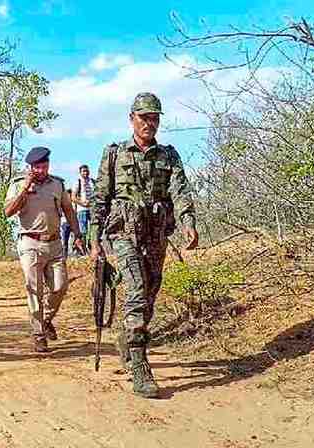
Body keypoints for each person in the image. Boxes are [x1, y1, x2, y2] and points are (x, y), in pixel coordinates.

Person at [90, 92, 199, 398]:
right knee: (137, 288)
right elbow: (100, 198)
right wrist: (95, 239)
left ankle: (127, 337)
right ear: (132, 118)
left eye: (154, 118)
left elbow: (180, 190)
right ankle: (139, 364)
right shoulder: (114, 154)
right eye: (144, 117)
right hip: (123, 234)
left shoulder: (168, 156)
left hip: (156, 234)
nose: (149, 123)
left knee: (150, 292)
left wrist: (188, 222)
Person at [4, 147, 85, 353]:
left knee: (60, 286)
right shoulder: (18, 184)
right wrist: (25, 188)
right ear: (30, 167)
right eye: (37, 167)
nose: (41, 171)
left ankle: (46, 319)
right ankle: (38, 333)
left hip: (55, 243)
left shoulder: (57, 184)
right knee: (35, 289)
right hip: (30, 243)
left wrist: (78, 235)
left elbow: (68, 210)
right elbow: (8, 211)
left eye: (44, 166)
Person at [72, 165, 95, 255]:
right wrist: (82, 203)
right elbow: (73, 197)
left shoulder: (93, 182)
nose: (86, 173)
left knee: (94, 230)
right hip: (82, 209)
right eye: (84, 171)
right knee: (83, 231)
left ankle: (92, 249)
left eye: (87, 171)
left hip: (92, 209)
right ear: (80, 172)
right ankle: (82, 251)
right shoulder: (77, 182)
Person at [60, 189, 73, 258]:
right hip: (64, 223)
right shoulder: (62, 202)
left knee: (71, 240)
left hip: (71, 223)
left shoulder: (73, 202)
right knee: (64, 241)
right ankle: (64, 256)